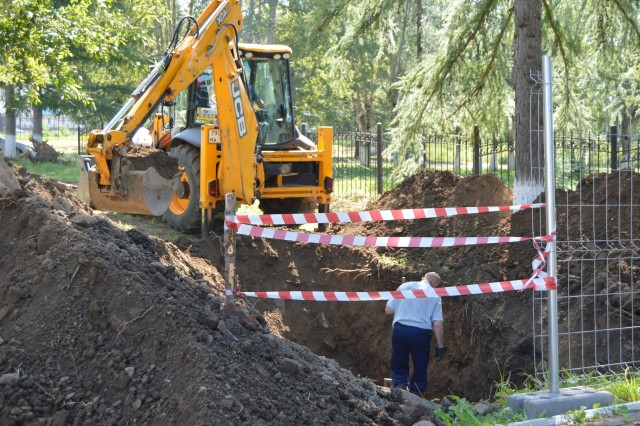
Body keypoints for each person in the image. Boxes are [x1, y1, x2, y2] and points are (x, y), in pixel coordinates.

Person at [385, 271, 445, 395]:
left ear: (423, 278)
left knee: (399, 360)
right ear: (434, 284)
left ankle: (399, 386)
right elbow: (437, 323)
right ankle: (416, 391)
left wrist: (402, 306)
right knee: (420, 363)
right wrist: (440, 346)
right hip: (420, 333)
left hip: (400, 330)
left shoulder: (404, 286)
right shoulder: (435, 294)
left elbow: (388, 310)